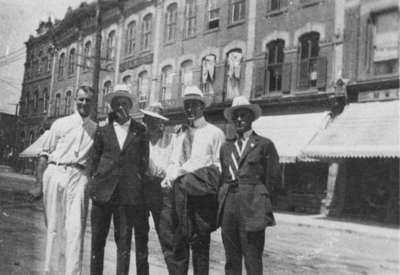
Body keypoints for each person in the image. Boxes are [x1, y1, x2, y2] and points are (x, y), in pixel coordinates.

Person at [164, 86, 225, 275]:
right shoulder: (180, 134)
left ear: (202, 107)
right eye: (186, 105)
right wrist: (172, 175)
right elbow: (174, 161)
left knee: (200, 249)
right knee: (179, 245)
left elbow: (218, 167)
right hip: (180, 197)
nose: (189, 109)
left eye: (194, 105)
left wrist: (191, 176)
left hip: (201, 198)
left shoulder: (214, 133)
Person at [89, 84, 149, 275]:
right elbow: (93, 161)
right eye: (117, 104)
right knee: (97, 243)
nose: (121, 107)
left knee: (123, 244)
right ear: (112, 106)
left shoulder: (140, 131)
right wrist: (94, 187)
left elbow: (144, 164)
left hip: (127, 197)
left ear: (130, 106)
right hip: (102, 195)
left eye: (125, 103)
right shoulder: (102, 131)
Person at [218, 96, 281, 275]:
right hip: (229, 205)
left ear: (251, 118)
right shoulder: (226, 147)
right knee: (231, 260)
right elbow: (223, 177)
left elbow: (273, 180)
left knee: (252, 259)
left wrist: (261, 205)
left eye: (243, 115)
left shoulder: (264, 145)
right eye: (236, 116)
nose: (239, 119)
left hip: (253, 207)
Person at [38, 85, 97, 275]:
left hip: (79, 177)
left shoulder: (96, 130)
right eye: (81, 99)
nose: (84, 103)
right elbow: (44, 155)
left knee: (75, 228)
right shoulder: (60, 124)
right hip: (56, 172)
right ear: (75, 101)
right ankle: (50, 271)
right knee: (54, 227)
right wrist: (38, 184)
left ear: (93, 103)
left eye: (88, 100)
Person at [140, 102, 175, 274]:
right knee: (141, 238)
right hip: (142, 189)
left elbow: (174, 165)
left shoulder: (170, 140)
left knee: (167, 237)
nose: (151, 124)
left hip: (162, 192)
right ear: (144, 120)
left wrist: (166, 173)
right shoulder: (140, 140)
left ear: (162, 123)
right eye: (149, 120)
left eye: (156, 120)